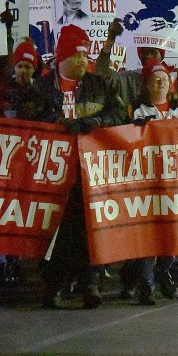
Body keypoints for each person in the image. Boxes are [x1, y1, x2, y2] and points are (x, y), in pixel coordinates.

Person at [18, 24, 126, 309]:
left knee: (89, 230)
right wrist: (59, 123)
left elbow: (118, 113)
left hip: (88, 174)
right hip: (51, 176)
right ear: (62, 57)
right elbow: (28, 117)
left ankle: (91, 284)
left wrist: (96, 122)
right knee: (54, 233)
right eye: (77, 55)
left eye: (85, 55)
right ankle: (52, 286)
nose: (83, 60)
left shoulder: (98, 85)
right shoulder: (41, 87)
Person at [125, 64, 178, 304]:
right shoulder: (137, 110)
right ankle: (146, 286)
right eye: (155, 79)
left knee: (172, 233)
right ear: (147, 85)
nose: (160, 83)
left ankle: (166, 274)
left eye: (164, 78)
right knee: (148, 234)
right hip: (147, 179)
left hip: (174, 181)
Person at [98, 13, 178, 114]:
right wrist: (110, 41)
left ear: (162, 55)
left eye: (153, 52)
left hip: (175, 137)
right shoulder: (130, 80)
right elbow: (102, 76)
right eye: (143, 52)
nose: (148, 56)